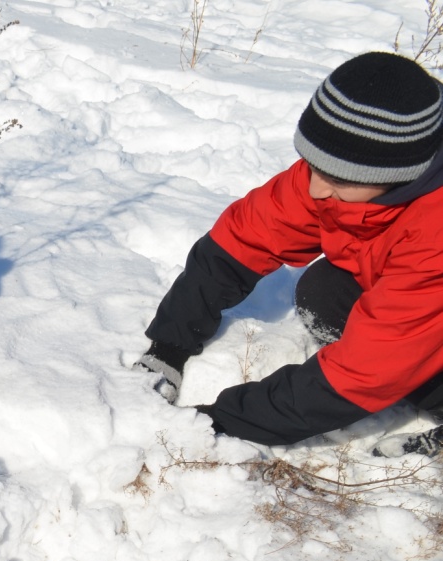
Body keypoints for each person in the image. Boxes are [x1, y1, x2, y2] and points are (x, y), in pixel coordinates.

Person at [138, 52, 443, 456]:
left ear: (393, 176)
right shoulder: (358, 162)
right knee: (324, 292)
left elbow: (363, 374)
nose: (315, 188)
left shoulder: (433, 229)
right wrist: (169, 345)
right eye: (312, 165)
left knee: (396, 358)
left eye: (335, 179)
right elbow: (243, 239)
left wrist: (222, 421)